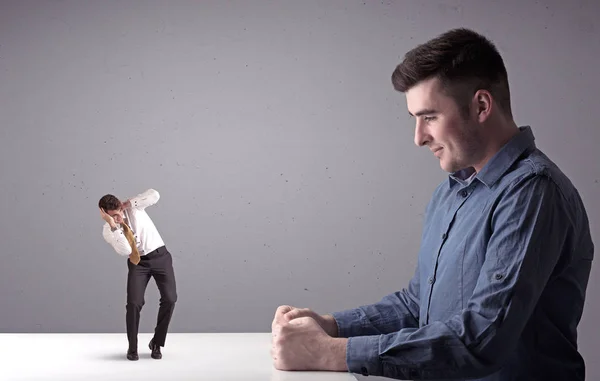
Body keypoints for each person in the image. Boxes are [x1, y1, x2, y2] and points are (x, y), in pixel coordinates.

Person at [271, 28, 594, 380]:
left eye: (429, 117)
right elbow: (417, 305)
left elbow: (480, 338)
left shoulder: (533, 193)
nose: (419, 138)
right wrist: (331, 326)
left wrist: (331, 353)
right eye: (415, 120)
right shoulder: (451, 193)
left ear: (482, 106)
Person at [98, 188, 177, 361]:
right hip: (138, 263)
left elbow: (155, 195)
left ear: (120, 206)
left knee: (170, 299)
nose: (118, 217)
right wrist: (114, 225)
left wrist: (129, 203)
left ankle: (157, 342)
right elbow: (125, 250)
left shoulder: (135, 208)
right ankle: (132, 347)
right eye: (112, 215)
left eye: (118, 212)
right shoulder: (108, 230)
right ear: (104, 214)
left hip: (160, 257)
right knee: (134, 303)